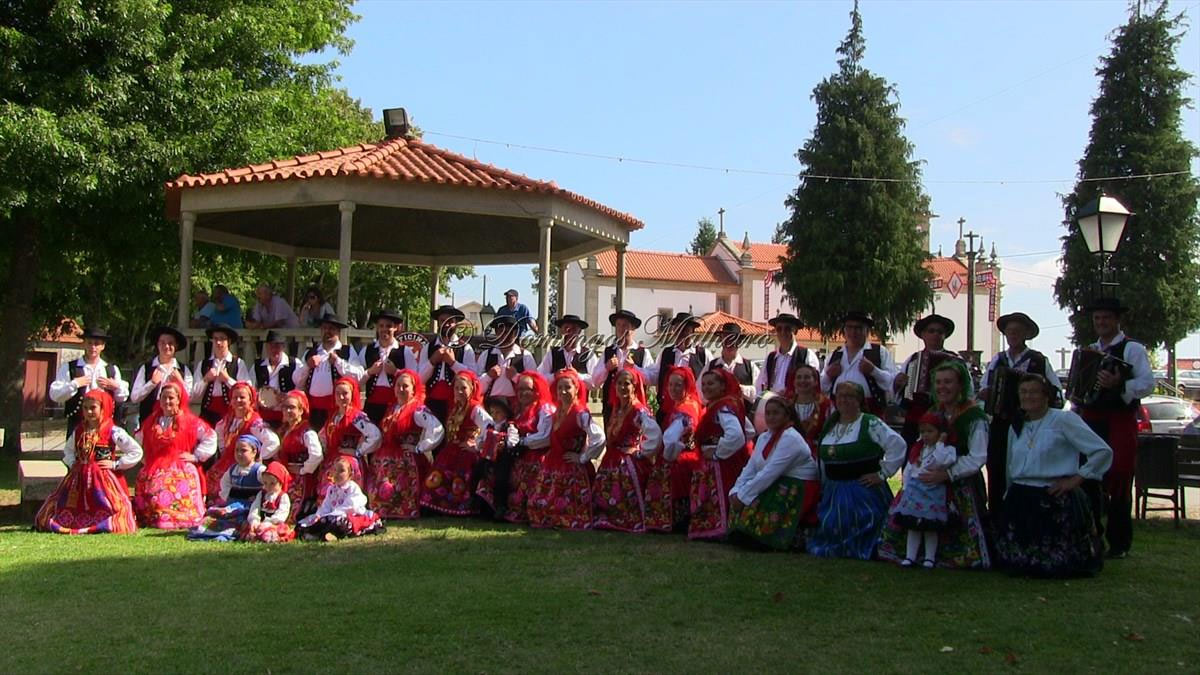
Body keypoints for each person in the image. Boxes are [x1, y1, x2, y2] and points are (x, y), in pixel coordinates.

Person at [876, 360, 992, 569]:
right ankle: (917, 555)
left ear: (960, 385)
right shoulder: (934, 412)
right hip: (927, 479)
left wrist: (947, 474)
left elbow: (978, 456)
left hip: (960, 481)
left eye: (948, 382)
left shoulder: (974, 416)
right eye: (938, 382)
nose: (942, 387)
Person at [994, 374, 1112, 577]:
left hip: (1052, 496)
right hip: (1021, 497)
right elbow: (1011, 463)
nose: (1028, 396)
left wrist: (1076, 479)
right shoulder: (1017, 425)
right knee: (1017, 564)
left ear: (1046, 395)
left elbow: (1101, 451)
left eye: (1033, 392)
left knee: (1056, 565)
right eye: (1023, 392)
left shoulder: (1063, 419)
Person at [1074, 297, 1153, 560]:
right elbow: (1080, 387)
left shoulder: (1132, 349)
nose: (1101, 322)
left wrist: (1120, 385)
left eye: (1106, 317)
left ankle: (1119, 542)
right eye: (1097, 318)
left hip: (1119, 419)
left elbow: (1147, 383)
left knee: (1119, 477)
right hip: (1091, 418)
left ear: (1117, 320)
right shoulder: (1089, 350)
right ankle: (1091, 534)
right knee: (1089, 476)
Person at [806, 382, 906, 560]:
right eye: (840, 395)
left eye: (850, 396)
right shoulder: (831, 425)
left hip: (862, 491)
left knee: (863, 524)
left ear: (859, 399)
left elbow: (898, 445)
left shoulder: (870, 422)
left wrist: (882, 474)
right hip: (833, 491)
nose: (844, 399)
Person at [977, 312, 1062, 514]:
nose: (1013, 335)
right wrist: (985, 394)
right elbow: (983, 389)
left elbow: (1056, 394)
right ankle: (997, 517)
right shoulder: (998, 360)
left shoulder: (1038, 361)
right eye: (1009, 331)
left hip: (1028, 424)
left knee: (1025, 469)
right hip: (999, 423)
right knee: (996, 469)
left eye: (1017, 331)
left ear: (1026, 335)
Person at [35, 390, 142, 535]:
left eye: (93, 408)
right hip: (78, 479)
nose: (89, 412)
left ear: (103, 408)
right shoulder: (79, 430)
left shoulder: (113, 431)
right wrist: (73, 463)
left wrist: (116, 464)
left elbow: (136, 451)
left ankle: (103, 521)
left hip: (103, 479)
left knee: (109, 504)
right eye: (85, 408)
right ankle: (73, 521)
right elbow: (68, 450)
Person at [728, 396, 820, 551]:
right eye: (768, 413)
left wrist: (743, 496)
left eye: (776, 413)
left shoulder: (791, 438)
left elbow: (770, 472)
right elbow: (751, 468)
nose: (771, 417)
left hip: (797, 486)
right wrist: (736, 491)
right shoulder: (765, 437)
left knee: (765, 498)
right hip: (777, 481)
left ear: (787, 415)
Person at [527, 369, 604, 530]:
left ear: (576, 389)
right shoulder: (557, 413)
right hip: (553, 464)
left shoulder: (580, 413)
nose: (563, 391)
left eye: (567, 387)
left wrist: (582, 457)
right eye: (559, 388)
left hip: (571, 468)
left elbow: (599, 438)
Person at [134, 381, 216, 529]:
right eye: (164, 397)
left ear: (179, 399)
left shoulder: (190, 421)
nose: (167, 401)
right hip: (155, 465)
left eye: (171, 398)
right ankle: (152, 517)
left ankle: (176, 516)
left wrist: (196, 456)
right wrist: (145, 459)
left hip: (180, 466)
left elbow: (210, 436)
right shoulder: (152, 421)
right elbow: (138, 440)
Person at [592, 367, 662, 533]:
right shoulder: (618, 408)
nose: (623, 387)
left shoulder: (639, 410)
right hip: (611, 459)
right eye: (619, 383)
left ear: (634, 386)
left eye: (627, 384)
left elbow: (655, 435)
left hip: (629, 463)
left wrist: (640, 452)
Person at [368, 369, 443, 520]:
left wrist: (419, 447)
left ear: (414, 389)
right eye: (398, 386)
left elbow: (437, 428)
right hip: (384, 455)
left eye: (405, 386)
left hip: (406, 459)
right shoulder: (392, 407)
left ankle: (402, 509)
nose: (401, 389)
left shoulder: (418, 409)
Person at [688, 368, 752, 541]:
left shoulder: (723, 407)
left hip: (720, 465)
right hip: (727, 461)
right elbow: (750, 431)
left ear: (723, 386)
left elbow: (737, 435)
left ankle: (718, 528)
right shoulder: (729, 404)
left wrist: (717, 451)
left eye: (711, 383)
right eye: (704, 385)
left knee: (719, 495)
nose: (706, 388)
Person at [886, 413, 958, 568]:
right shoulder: (918, 449)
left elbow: (939, 462)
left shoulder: (947, 450)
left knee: (930, 527)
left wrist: (940, 443)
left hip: (933, 492)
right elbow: (910, 467)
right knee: (913, 526)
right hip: (915, 492)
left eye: (930, 431)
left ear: (940, 432)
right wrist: (905, 487)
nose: (925, 435)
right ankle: (910, 556)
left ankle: (929, 557)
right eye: (923, 432)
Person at [420, 371, 494, 516]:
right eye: (456, 388)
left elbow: (490, 426)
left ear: (472, 389)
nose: (459, 391)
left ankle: (460, 509)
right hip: (451, 451)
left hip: (466, 454)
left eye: (463, 388)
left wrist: (477, 445)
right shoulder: (456, 406)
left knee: (460, 481)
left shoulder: (475, 408)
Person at [893, 314, 962, 444]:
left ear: (944, 336)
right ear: (923, 335)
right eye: (931, 331)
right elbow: (903, 392)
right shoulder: (913, 359)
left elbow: (965, 388)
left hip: (945, 415)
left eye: (940, 332)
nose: (936, 334)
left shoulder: (955, 360)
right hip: (916, 416)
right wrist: (900, 383)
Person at [206, 382, 279, 504]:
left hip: (245, 465)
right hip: (227, 462)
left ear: (250, 400)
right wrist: (224, 450)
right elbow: (219, 435)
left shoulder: (255, 421)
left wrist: (257, 457)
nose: (238, 400)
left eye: (242, 397)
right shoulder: (227, 419)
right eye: (235, 397)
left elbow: (273, 442)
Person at [48, 326, 128, 435]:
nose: (93, 347)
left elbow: (122, 398)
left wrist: (116, 386)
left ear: (103, 346)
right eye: (89, 343)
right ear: (84, 344)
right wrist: (75, 384)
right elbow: (54, 394)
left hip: (104, 425)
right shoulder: (70, 368)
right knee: (75, 451)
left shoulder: (111, 370)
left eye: (97, 343)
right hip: (77, 425)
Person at [500, 371, 555, 524]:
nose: (523, 393)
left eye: (527, 389)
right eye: (520, 389)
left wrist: (522, 442)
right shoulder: (518, 411)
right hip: (521, 454)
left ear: (536, 390)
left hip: (539, 456)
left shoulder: (545, 409)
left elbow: (545, 437)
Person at [188, 434, 266, 541]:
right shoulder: (233, 469)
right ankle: (209, 531)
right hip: (233, 505)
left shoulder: (259, 470)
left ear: (254, 452)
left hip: (251, 508)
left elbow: (267, 487)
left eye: (243, 450)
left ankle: (229, 531)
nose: (239, 454)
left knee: (239, 519)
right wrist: (230, 497)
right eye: (236, 450)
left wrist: (258, 499)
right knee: (213, 514)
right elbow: (224, 485)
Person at [293, 313, 364, 430]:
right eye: (325, 328)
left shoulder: (347, 351)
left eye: (332, 329)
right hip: (313, 410)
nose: (328, 331)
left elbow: (359, 376)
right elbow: (296, 380)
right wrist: (307, 366)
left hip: (336, 409)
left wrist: (338, 362)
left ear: (338, 332)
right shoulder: (311, 352)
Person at [316, 377, 380, 505]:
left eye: (345, 393)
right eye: (338, 394)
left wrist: (357, 451)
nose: (341, 397)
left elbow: (375, 436)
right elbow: (322, 437)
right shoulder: (334, 416)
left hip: (349, 460)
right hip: (333, 458)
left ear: (352, 394)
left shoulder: (357, 416)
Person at [820, 310, 896, 417]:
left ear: (867, 331)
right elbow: (821, 387)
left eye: (858, 328)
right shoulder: (835, 355)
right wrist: (828, 375)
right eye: (849, 327)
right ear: (844, 331)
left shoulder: (880, 352)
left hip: (869, 412)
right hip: (838, 413)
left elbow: (891, 383)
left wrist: (874, 371)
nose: (853, 332)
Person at [657, 366, 704, 532]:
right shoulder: (690, 403)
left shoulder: (684, 410)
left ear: (687, 386)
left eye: (678, 385)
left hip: (682, 460)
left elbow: (671, 440)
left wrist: (666, 457)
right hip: (690, 457)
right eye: (670, 385)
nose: (673, 389)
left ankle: (676, 521)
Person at [297, 456, 385, 541]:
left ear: (350, 474)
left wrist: (332, 515)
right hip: (331, 516)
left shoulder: (352, 488)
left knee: (339, 523)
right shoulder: (331, 489)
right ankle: (318, 534)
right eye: (335, 470)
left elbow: (350, 507)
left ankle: (325, 534)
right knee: (309, 522)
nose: (337, 474)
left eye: (341, 471)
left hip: (348, 517)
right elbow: (326, 506)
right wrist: (319, 515)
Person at [356, 308, 419, 426]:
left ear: (396, 328)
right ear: (377, 327)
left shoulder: (405, 351)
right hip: (372, 405)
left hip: (395, 405)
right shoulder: (367, 350)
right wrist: (370, 372)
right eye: (381, 326)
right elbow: (356, 380)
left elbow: (415, 380)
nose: (384, 329)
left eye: (388, 326)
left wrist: (396, 372)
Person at [645, 312, 708, 425]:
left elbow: (710, 380)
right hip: (667, 412)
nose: (681, 333)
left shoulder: (703, 355)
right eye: (677, 329)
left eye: (685, 329)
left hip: (693, 412)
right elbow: (654, 376)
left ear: (692, 332)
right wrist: (633, 369)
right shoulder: (666, 353)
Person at [591, 309, 653, 421]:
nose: (621, 329)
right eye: (618, 325)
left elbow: (652, 379)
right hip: (611, 408)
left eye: (625, 325)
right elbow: (595, 381)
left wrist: (635, 368)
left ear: (633, 329)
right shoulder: (608, 352)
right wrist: (606, 368)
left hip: (635, 408)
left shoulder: (643, 353)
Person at [420, 305, 476, 423]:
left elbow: (473, 378)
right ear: (438, 323)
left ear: (456, 324)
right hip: (431, 402)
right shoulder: (428, 348)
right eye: (442, 321)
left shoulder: (465, 348)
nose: (446, 324)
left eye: (450, 321)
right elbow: (419, 379)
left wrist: (452, 363)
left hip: (457, 402)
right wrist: (432, 361)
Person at [274, 391, 323, 522]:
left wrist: (302, 469)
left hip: (302, 479)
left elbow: (317, 455)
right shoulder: (283, 430)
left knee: (292, 514)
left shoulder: (307, 432)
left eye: (292, 407)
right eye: (285, 407)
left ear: (301, 410)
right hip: (287, 475)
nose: (288, 410)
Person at [130, 326, 194, 424]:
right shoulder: (146, 368)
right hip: (149, 419)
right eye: (162, 343)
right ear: (158, 344)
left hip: (176, 422)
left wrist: (180, 381)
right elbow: (134, 397)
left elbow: (190, 397)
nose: (166, 346)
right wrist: (152, 383)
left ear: (176, 346)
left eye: (170, 343)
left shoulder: (183, 370)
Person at [192, 323, 254, 426]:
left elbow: (248, 390)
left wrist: (227, 380)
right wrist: (205, 380)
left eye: (222, 339)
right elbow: (193, 395)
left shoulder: (238, 363)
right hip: (208, 414)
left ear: (228, 341)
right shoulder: (204, 364)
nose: (218, 342)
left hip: (231, 413)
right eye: (215, 339)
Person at [476, 315, 537, 409]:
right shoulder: (486, 355)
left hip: (518, 407)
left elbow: (535, 385)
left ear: (515, 333)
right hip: (491, 406)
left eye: (509, 332)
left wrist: (516, 378)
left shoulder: (526, 356)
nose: (505, 336)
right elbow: (476, 386)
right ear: (496, 333)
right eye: (501, 332)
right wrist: (488, 376)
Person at [755, 313, 821, 397]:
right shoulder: (771, 357)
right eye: (779, 329)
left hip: (795, 405)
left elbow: (813, 385)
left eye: (787, 329)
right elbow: (760, 384)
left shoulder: (806, 354)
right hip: (773, 404)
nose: (783, 332)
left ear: (795, 331)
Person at [700, 322, 759, 407]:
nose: (729, 342)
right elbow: (700, 394)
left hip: (742, 417)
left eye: (733, 339)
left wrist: (739, 389)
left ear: (739, 342)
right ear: (721, 340)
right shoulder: (711, 366)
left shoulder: (750, 367)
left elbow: (758, 393)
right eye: (726, 338)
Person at [241, 461, 296, 543]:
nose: (268, 486)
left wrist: (269, 522)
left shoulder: (282, 496)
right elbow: (255, 507)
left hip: (274, 524)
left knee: (274, 532)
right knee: (247, 528)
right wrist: (254, 520)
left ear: (280, 483)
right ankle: (254, 535)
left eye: (272, 483)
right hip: (260, 522)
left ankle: (267, 536)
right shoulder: (261, 494)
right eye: (265, 483)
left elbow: (282, 513)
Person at [254, 330, 297, 429]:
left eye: (277, 346)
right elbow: (251, 389)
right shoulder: (258, 366)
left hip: (287, 415)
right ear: (266, 347)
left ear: (283, 347)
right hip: (264, 416)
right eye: (271, 346)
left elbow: (301, 389)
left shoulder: (294, 364)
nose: (274, 349)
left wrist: (287, 396)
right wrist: (258, 398)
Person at [537, 314, 596, 380]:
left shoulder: (587, 354)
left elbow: (595, 381)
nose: (570, 332)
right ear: (562, 331)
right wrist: (555, 376)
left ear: (579, 331)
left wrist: (577, 376)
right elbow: (540, 377)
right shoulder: (552, 353)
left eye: (574, 328)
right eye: (566, 328)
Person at [789, 364, 833, 449]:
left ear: (816, 381)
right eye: (799, 377)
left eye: (807, 377)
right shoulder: (787, 405)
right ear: (794, 382)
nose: (802, 381)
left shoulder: (826, 405)